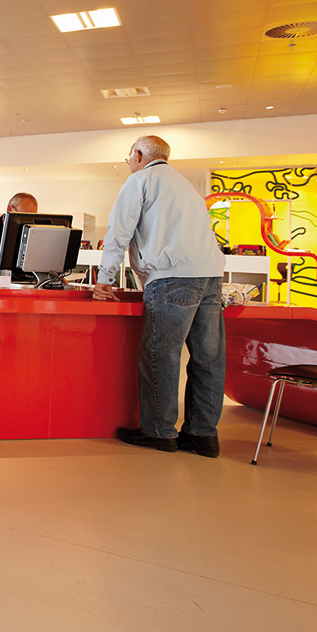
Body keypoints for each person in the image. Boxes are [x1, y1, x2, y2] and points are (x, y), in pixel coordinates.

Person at [92, 135, 226, 457]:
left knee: (161, 355)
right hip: (210, 277)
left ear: (138, 155)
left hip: (171, 277)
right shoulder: (186, 186)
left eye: (129, 157)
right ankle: (203, 435)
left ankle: (159, 432)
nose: (129, 163)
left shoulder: (141, 180)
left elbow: (118, 233)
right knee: (208, 359)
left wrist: (104, 279)